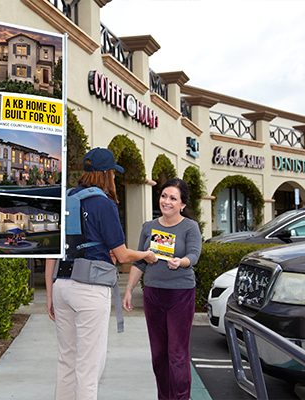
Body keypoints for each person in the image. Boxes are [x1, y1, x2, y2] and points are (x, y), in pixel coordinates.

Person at [45, 147, 157, 400]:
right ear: (106, 173)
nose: (115, 179)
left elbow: (51, 251)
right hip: (90, 289)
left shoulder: (65, 200)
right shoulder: (104, 204)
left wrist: (51, 293)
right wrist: (146, 255)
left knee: (67, 362)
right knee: (89, 367)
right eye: (113, 174)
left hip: (62, 285)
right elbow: (124, 254)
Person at [122, 178, 202, 400]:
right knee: (159, 355)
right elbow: (139, 261)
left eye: (173, 198)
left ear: (182, 204)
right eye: (164, 196)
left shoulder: (189, 227)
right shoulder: (149, 227)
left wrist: (181, 261)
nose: (167, 201)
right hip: (153, 294)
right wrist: (129, 289)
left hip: (180, 294)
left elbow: (194, 255)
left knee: (177, 354)